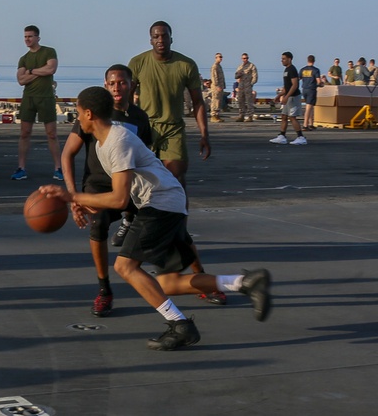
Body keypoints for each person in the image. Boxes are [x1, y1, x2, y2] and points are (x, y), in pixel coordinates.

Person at [43, 86, 272, 350]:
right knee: (168, 283)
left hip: (160, 204)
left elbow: (117, 199)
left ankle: (180, 325)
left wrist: (73, 197)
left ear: (89, 113)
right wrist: (85, 202)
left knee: (125, 267)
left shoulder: (117, 141)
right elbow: (122, 196)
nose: (77, 119)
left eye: (78, 113)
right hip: (165, 202)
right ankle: (246, 282)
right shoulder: (106, 142)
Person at [128, 21, 222, 304]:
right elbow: (126, 102)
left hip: (172, 130)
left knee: (174, 182)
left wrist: (204, 134)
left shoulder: (185, 65)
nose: (160, 40)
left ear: (170, 38)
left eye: (164, 36)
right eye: (155, 36)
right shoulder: (138, 63)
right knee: (139, 189)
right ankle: (134, 222)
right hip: (146, 131)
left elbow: (197, 102)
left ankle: (177, 224)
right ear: (150, 39)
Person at [62, 65, 151, 317]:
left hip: (129, 184)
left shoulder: (139, 118)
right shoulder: (95, 113)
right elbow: (67, 153)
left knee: (168, 223)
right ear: (106, 86)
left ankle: (201, 279)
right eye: (111, 83)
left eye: (121, 83)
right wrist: (74, 197)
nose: (116, 88)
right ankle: (104, 290)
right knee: (98, 224)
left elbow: (145, 158)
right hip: (99, 185)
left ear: (131, 85)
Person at [12, 25, 61, 181]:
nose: (27, 39)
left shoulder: (49, 51)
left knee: (51, 134)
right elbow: (21, 80)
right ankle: (21, 168)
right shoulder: (24, 58)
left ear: (38, 37)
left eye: (30, 36)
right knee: (25, 133)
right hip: (29, 98)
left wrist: (31, 71)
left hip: (46, 98)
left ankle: (58, 168)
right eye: (25, 36)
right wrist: (40, 71)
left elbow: (51, 69)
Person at [269, 52, 307, 145]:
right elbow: (287, 86)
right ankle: (282, 136)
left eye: (284, 59)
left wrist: (286, 97)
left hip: (293, 97)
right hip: (288, 96)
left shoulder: (292, 69)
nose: (282, 60)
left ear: (289, 59)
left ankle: (301, 137)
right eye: (282, 59)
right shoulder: (286, 70)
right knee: (284, 116)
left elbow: (295, 85)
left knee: (292, 117)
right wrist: (278, 96)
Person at [299, 55, 322, 131]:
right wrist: (321, 84)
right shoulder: (316, 70)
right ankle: (305, 125)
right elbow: (319, 81)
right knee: (308, 108)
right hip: (311, 89)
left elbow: (298, 78)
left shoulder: (302, 70)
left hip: (304, 89)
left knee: (311, 106)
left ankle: (311, 123)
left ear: (307, 60)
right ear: (314, 61)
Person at [234, 53, 258, 122]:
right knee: (240, 101)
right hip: (241, 86)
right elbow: (235, 76)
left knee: (249, 101)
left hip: (248, 86)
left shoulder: (251, 66)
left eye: (246, 58)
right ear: (242, 59)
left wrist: (251, 84)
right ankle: (241, 115)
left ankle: (250, 116)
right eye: (244, 58)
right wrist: (239, 74)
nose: (245, 59)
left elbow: (255, 77)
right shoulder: (240, 67)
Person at [209, 53, 225, 122]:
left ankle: (217, 115)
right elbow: (214, 77)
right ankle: (213, 116)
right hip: (216, 87)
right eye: (219, 57)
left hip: (220, 86)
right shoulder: (215, 66)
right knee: (215, 101)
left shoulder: (219, 66)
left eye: (221, 57)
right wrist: (217, 86)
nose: (221, 58)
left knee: (218, 101)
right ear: (216, 58)